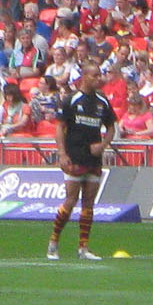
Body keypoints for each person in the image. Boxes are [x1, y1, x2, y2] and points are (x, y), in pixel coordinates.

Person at [49, 61, 117, 261]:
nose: (99, 78)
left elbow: (111, 127)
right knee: (70, 200)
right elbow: (60, 127)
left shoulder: (102, 102)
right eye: (95, 75)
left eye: (99, 75)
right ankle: (54, 242)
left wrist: (103, 145)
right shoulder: (72, 100)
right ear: (85, 77)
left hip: (93, 159)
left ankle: (83, 247)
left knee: (89, 203)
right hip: (74, 156)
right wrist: (62, 153)